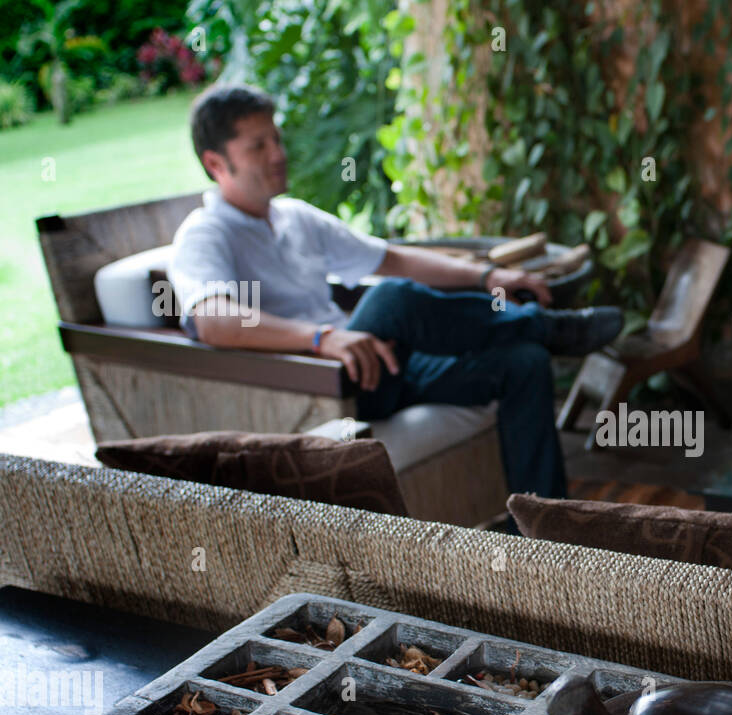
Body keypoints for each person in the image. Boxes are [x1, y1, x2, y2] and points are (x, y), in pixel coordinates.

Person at [167, 83, 622, 502]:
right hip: (321, 384)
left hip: (374, 365)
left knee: (523, 363)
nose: (277, 154)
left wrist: (487, 277)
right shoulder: (205, 234)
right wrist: (322, 338)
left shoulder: (295, 218)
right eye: (258, 146)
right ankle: (543, 325)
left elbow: (393, 258)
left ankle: (540, 524)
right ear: (215, 163)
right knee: (391, 299)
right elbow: (213, 320)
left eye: (276, 139)